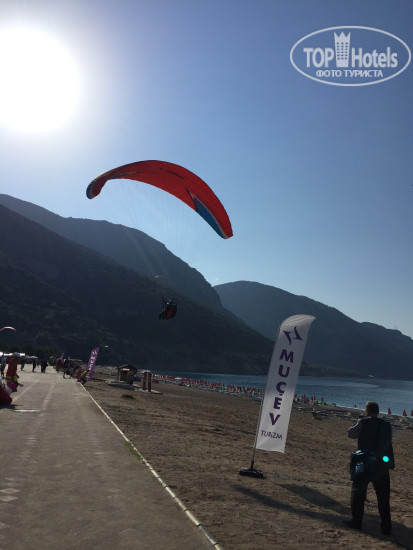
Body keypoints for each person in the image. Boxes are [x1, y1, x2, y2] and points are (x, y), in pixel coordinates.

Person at [345, 401, 395, 535]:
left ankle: (356, 522)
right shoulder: (386, 425)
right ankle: (386, 527)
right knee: (383, 497)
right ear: (377, 412)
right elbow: (388, 443)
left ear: (367, 411)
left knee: (358, 493)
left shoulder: (363, 422)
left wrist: (359, 422)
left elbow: (350, 434)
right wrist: (390, 462)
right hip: (382, 463)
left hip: (364, 462)